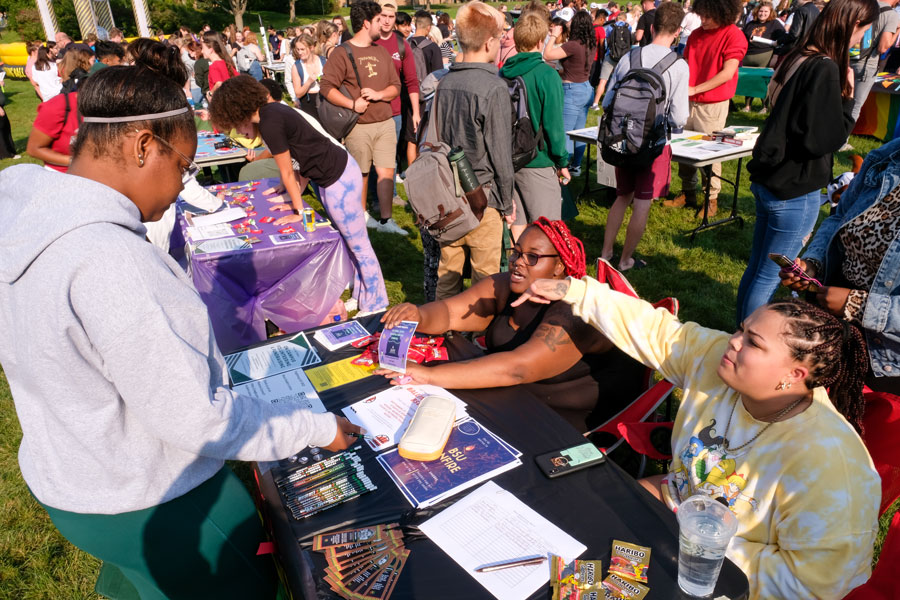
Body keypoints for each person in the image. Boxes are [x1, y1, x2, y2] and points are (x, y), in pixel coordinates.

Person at [0, 55, 360, 600]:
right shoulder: (112, 262)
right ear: (143, 146)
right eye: (184, 167)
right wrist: (315, 429)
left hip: (72, 479)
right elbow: (198, 420)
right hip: (151, 497)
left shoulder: (22, 211)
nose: (180, 187)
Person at [516, 276, 880, 599]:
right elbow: (661, 333)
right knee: (566, 527)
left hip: (722, 577)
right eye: (741, 329)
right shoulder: (717, 361)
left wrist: (698, 546)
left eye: (752, 342)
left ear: (794, 374)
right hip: (670, 512)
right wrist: (576, 291)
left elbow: (817, 583)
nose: (733, 342)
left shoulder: (833, 465)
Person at [377, 219, 645, 430]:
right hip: (515, 397)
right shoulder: (508, 285)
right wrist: (418, 315)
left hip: (565, 419)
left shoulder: (574, 312)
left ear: (559, 268)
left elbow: (519, 368)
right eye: (516, 253)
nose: (518, 262)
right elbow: (449, 312)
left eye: (533, 257)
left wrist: (431, 376)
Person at [735, 0, 878, 324]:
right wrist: (848, 100)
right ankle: (748, 341)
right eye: (863, 31)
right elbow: (823, 139)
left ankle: (741, 336)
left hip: (776, 177)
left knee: (759, 268)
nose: (861, 39)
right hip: (793, 186)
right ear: (851, 24)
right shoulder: (825, 67)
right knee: (768, 275)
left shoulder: (801, 55)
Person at [210, 75, 390, 315]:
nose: (238, 130)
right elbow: (300, 155)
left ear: (235, 111)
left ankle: (377, 303)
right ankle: (362, 293)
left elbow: (286, 170)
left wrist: (299, 210)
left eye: (234, 124)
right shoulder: (272, 111)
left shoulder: (268, 123)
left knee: (359, 245)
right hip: (335, 176)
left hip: (339, 179)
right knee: (351, 242)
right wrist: (288, 192)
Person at [779, 137, 900, 394]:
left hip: (887, 359)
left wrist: (857, 305)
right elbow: (837, 219)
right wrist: (813, 264)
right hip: (833, 324)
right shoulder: (888, 156)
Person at [427, 0, 515, 300]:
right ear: (490, 42)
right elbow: (501, 154)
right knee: (485, 281)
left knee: (448, 274)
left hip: (446, 199)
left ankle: (444, 336)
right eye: (501, 38)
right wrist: (506, 202)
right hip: (483, 199)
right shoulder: (494, 87)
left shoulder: (445, 81)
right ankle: (480, 341)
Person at [601, 2, 689, 272]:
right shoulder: (678, 65)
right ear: (677, 32)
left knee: (621, 196)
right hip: (652, 145)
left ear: (651, 27)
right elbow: (679, 118)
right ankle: (626, 259)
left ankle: (605, 253)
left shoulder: (629, 57)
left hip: (621, 140)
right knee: (642, 202)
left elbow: (607, 102)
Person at [320, 0, 406, 236]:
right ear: (367, 23)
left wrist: (379, 94)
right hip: (358, 125)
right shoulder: (342, 52)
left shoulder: (381, 51)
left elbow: (396, 87)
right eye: (379, 20)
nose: (384, 24)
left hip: (385, 122)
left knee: (387, 171)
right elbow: (326, 87)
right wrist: (351, 104)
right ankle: (362, 217)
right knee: (362, 174)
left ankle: (387, 220)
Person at [663, 0, 746, 218]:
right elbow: (685, 64)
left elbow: (728, 73)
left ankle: (711, 198)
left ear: (722, 11)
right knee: (682, 149)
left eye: (708, 15)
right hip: (687, 101)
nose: (704, 20)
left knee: (709, 152)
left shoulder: (734, 35)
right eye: (702, 15)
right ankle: (687, 192)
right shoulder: (696, 35)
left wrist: (695, 89)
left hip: (712, 105)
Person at [500, 13, 571, 240]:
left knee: (517, 226)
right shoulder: (547, 75)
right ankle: (541, 276)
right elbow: (554, 126)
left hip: (507, 159)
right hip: (537, 160)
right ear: (541, 41)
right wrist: (562, 161)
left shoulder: (502, 73)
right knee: (548, 233)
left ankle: (517, 272)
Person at [543, 10, 596, 175]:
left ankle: (562, 167)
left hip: (572, 90)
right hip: (586, 88)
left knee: (565, 132)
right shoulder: (590, 43)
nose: (569, 23)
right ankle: (576, 166)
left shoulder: (573, 45)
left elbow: (547, 54)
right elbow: (576, 66)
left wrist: (553, 35)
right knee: (579, 132)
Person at [846, 0, 900, 149]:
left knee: (840, 99)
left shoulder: (864, 6)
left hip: (849, 59)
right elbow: (883, 47)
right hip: (866, 65)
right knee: (855, 105)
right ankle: (841, 141)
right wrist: (897, 31)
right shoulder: (891, 15)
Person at [740, 1, 783, 112]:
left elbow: (782, 40)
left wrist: (776, 55)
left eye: (765, 11)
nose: (762, 13)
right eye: (761, 11)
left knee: (762, 81)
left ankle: (764, 106)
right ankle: (747, 105)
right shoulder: (750, 24)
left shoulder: (775, 24)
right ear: (756, 11)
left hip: (764, 55)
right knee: (749, 80)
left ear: (770, 12)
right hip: (748, 55)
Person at [286, 34, 324, 116]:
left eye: (302, 49)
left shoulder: (323, 61)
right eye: (298, 49)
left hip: (325, 100)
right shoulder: (297, 67)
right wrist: (308, 82)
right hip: (308, 102)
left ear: (311, 48)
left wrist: (323, 82)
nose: (300, 52)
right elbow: (298, 93)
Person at [201, 31, 237, 99]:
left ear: (211, 49)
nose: (201, 51)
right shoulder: (226, 62)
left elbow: (219, 83)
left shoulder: (213, 66)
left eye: (203, 48)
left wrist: (211, 94)